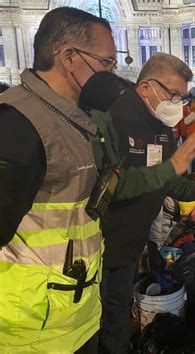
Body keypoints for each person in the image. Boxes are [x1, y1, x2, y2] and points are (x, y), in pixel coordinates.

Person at [0, 8, 116, 352]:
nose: (111, 72)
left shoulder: (74, 119)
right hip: (31, 331)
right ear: (68, 56)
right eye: (106, 62)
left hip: (73, 314)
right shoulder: (18, 124)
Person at [100, 53, 195, 354]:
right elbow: (111, 186)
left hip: (134, 237)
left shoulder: (163, 127)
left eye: (182, 96)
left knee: (120, 305)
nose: (178, 103)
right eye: (172, 94)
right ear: (145, 87)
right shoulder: (112, 119)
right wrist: (172, 168)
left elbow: (167, 180)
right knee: (108, 315)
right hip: (105, 238)